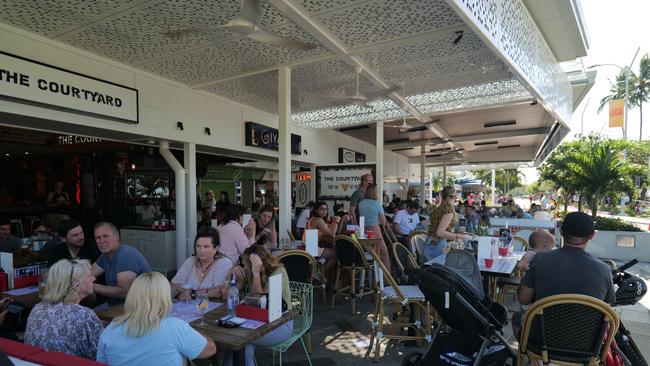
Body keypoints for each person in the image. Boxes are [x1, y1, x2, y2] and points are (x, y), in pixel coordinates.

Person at [97, 272, 216, 366]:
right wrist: (200, 333)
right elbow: (210, 349)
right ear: (164, 296)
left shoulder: (110, 329)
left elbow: (101, 362)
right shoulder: (174, 327)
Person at [518, 212, 615, 307]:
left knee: (517, 318)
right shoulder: (604, 269)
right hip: (586, 323)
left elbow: (523, 299)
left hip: (544, 322)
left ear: (561, 232)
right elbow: (608, 311)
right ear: (592, 235)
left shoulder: (539, 259)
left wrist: (526, 274)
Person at [224, 245, 292, 366]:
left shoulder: (278, 271)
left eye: (245, 263)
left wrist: (256, 275)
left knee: (242, 342)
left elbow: (261, 302)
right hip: (256, 321)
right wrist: (230, 276)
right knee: (236, 344)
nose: (243, 266)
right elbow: (228, 296)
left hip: (281, 324)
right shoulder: (249, 271)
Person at [24, 259, 103, 359]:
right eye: (89, 276)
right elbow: (101, 354)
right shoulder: (84, 315)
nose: (93, 278)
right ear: (76, 284)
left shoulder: (37, 308)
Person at [91, 222, 151, 305]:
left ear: (117, 237)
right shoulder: (106, 255)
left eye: (106, 236)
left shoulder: (125, 255)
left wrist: (91, 286)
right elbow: (88, 273)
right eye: (98, 237)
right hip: (116, 305)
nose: (102, 241)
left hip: (137, 308)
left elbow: (124, 292)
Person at [171, 228, 231, 300]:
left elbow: (218, 292)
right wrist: (206, 292)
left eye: (206, 246)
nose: (201, 250)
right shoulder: (191, 261)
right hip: (187, 307)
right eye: (198, 246)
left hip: (214, 308)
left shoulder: (224, 263)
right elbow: (173, 285)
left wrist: (191, 293)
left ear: (216, 248)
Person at [425, 186, 473, 261]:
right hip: (438, 244)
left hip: (429, 241)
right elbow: (440, 233)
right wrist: (459, 236)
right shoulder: (449, 210)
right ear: (453, 197)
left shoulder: (438, 208)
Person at [303, 201, 339, 288]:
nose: (324, 211)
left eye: (326, 209)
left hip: (308, 246)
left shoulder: (315, 219)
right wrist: (336, 222)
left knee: (333, 250)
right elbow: (332, 234)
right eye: (321, 209)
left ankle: (322, 274)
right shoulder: (318, 220)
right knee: (337, 254)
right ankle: (319, 273)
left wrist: (333, 223)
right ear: (316, 210)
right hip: (312, 249)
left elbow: (327, 232)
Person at [357, 184, 391, 271]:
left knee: (373, 252)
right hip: (374, 231)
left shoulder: (361, 203)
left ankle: (374, 273)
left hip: (363, 231)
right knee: (384, 252)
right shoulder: (377, 204)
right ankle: (386, 278)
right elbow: (383, 221)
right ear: (375, 193)